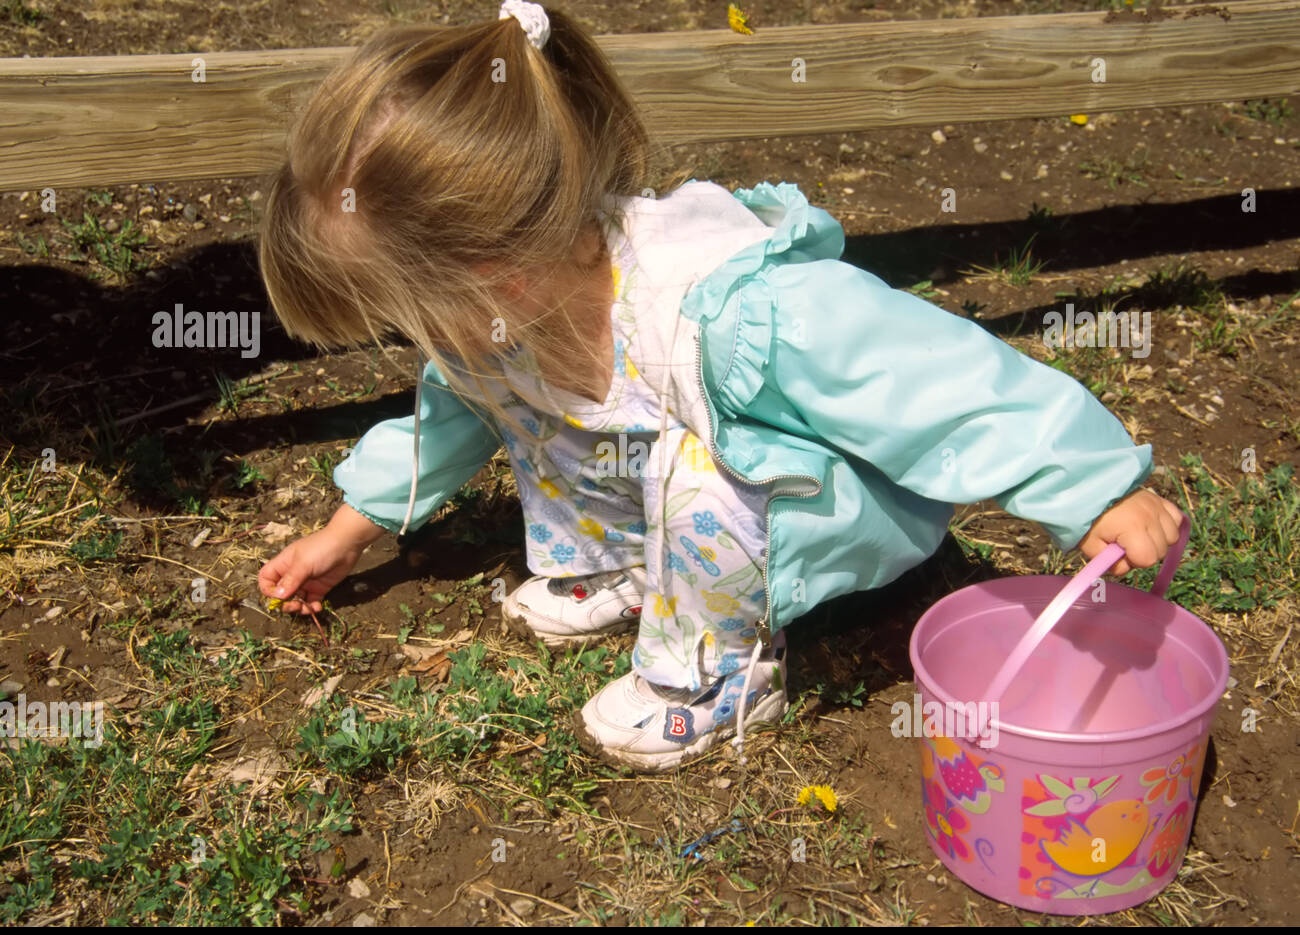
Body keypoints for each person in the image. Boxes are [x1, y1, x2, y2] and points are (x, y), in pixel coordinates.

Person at [257, 1, 1184, 772]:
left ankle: (718, 672)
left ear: (494, 270)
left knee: (695, 468)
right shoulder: (496, 324)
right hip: (691, 503)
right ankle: (626, 565)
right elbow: (445, 417)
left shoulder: (737, 311)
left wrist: (1095, 487)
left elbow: (939, 381)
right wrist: (350, 533)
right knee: (501, 388)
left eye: (407, 312)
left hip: (834, 505)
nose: (412, 337)